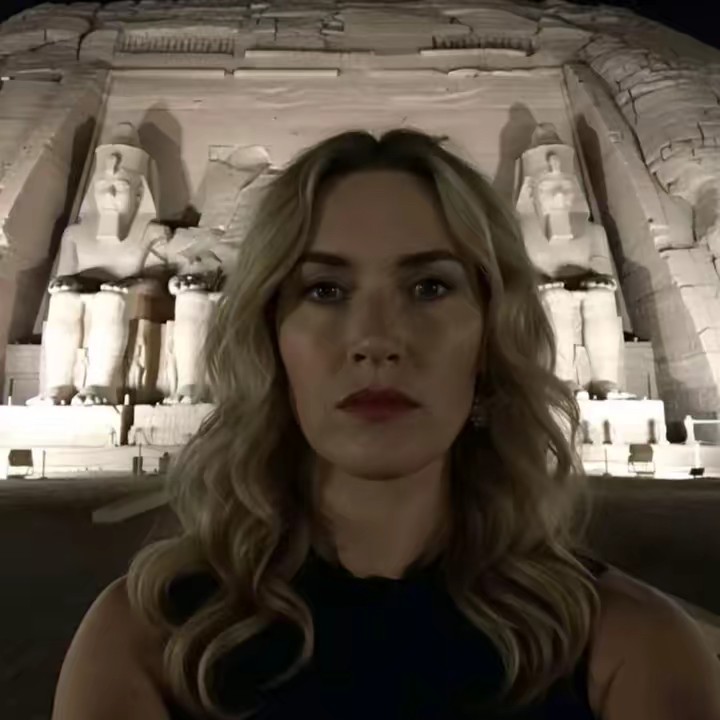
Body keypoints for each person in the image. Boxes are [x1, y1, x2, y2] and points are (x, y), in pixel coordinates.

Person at [51, 128, 720, 720]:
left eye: (430, 287)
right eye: (325, 290)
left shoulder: (635, 649)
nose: (376, 340)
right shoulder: (140, 640)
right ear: (270, 339)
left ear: (491, 336)